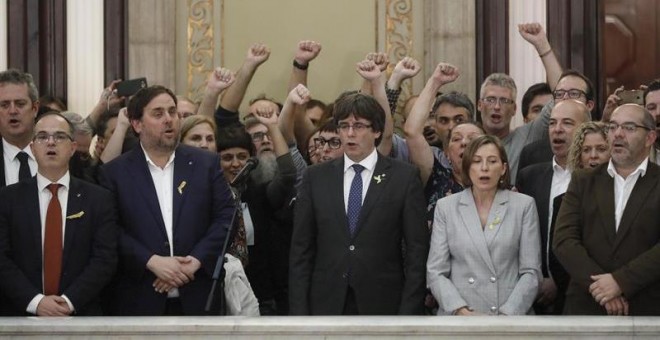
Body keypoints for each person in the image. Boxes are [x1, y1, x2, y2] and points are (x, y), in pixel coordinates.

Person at [99, 85, 234, 315]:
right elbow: (109, 230)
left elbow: (226, 217)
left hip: (199, 296)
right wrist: (152, 262)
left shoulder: (205, 164)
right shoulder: (115, 173)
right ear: (137, 124)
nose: (169, 119)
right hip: (139, 299)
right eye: (158, 113)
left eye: (173, 112)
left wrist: (194, 262)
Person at [290, 92, 429, 315]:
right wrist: (299, 314)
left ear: (376, 131)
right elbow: (301, 251)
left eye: (359, 126)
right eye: (344, 126)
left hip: (383, 303)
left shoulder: (403, 178)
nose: (350, 134)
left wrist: (409, 312)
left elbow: (416, 251)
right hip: (327, 302)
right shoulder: (315, 178)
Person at [0, 112, 118, 316]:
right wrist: (36, 302)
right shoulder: (8, 199)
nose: (51, 143)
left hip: (80, 313)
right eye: (43, 137)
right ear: (32, 147)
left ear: (72, 147)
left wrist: (68, 302)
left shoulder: (98, 199)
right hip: (20, 315)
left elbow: (104, 259)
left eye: (60, 137)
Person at [554, 104, 660, 315]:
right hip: (586, 306)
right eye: (612, 127)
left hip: (645, 308)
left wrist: (620, 282)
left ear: (650, 138)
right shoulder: (583, 180)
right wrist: (602, 289)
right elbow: (564, 240)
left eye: (629, 127)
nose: (618, 134)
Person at [427, 135, 541, 315]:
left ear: (503, 168)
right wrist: (461, 311)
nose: (484, 168)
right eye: (477, 161)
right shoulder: (446, 207)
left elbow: (531, 272)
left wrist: (506, 315)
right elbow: (435, 271)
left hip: (510, 319)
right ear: (467, 167)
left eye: (492, 161)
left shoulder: (523, 205)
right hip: (459, 319)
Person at [516, 100, 591, 314]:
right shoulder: (529, 176)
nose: (557, 129)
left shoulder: (596, 179)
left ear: (584, 129)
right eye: (552, 123)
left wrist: (559, 281)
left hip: (580, 293)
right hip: (533, 293)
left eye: (567, 123)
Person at [517, 70, 597, 173]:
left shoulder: (599, 152)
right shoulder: (532, 154)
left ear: (589, 105)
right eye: (559, 94)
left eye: (574, 93)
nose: (565, 98)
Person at [0, 69, 39, 187]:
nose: (12, 111)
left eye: (20, 104)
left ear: (35, 108)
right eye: (4, 105)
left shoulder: (57, 153)